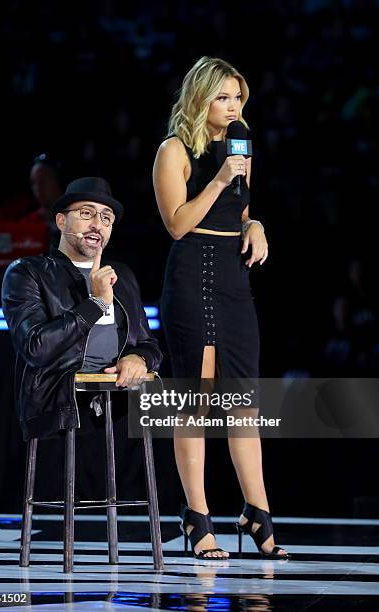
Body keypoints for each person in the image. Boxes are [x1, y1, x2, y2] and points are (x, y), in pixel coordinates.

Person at [153, 57, 288, 559]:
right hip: (192, 274)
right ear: (201, 99)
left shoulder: (241, 145)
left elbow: (242, 207)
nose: (233, 108)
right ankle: (197, 515)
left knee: (243, 404)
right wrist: (217, 179)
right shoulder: (175, 150)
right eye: (224, 98)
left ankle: (257, 510)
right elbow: (177, 223)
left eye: (238, 99)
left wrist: (256, 226)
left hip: (233, 278)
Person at [2, 176, 162, 441]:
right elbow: (35, 347)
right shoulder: (28, 271)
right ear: (61, 221)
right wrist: (96, 304)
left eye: (106, 218)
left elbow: (149, 344)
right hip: (60, 409)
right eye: (86, 213)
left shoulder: (122, 275)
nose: (97, 225)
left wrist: (139, 359)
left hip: (119, 407)